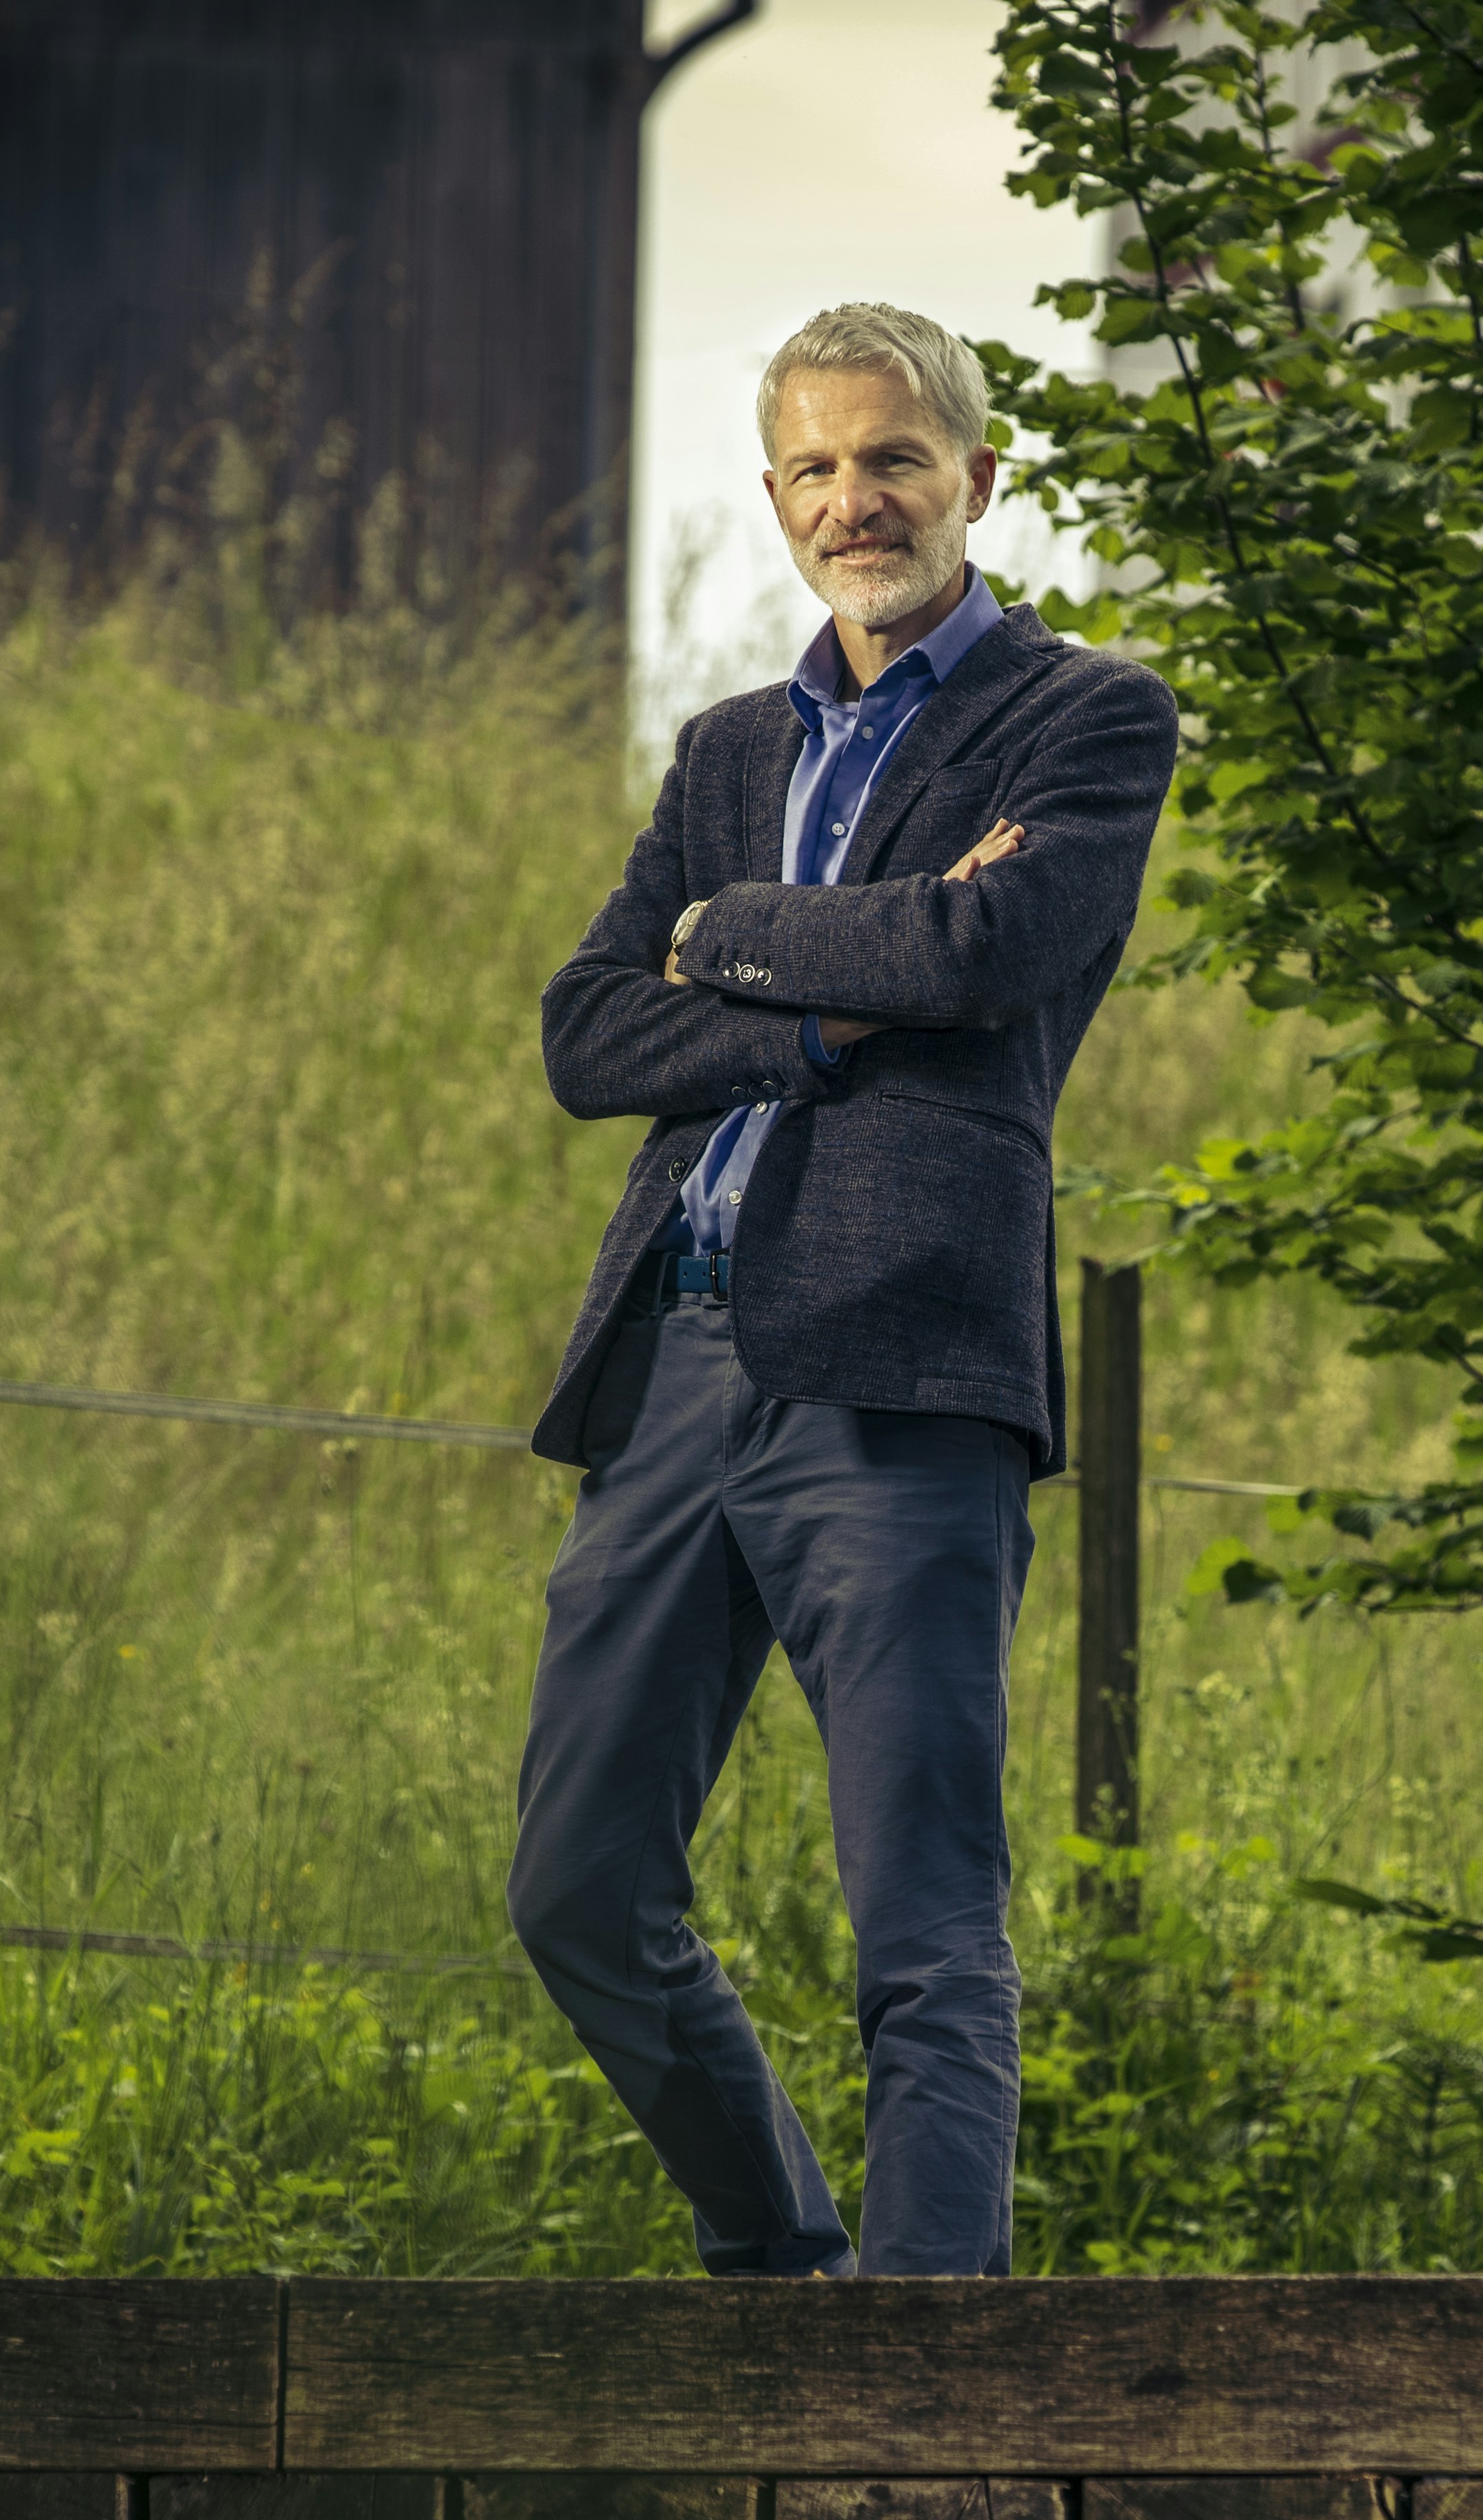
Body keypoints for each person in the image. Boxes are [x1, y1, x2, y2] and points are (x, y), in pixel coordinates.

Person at [507, 300, 1181, 2278]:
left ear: (981, 476)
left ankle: (921, 2398)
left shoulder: (1084, 714)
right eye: (812, 468)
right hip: (676, 1366)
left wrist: (729, 944)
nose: (851, 501)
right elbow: (583, 1036)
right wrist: (811, 1019)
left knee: (923, 1919)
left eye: (892, 460)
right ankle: (787, 2270)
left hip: (901, 1363)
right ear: (781, 494)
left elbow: (992, 949)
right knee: (577, 1885)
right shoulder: (732, 750)